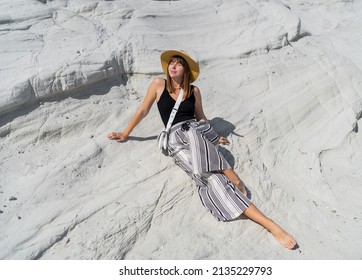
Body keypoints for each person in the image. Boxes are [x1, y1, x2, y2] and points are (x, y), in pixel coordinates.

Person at [108, 50, 297, 249]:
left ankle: (262, 213)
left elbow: (201, 117)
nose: (172, 66)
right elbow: (143, 110)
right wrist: (125, 133)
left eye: (178, 64)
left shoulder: (194, 91)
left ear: (186, 69)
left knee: (197, 138)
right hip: (175, 137)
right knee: (211, 180)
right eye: (171, 63)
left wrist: (214, 135)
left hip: (196, 131)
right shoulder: (158, 84)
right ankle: (261, 214)